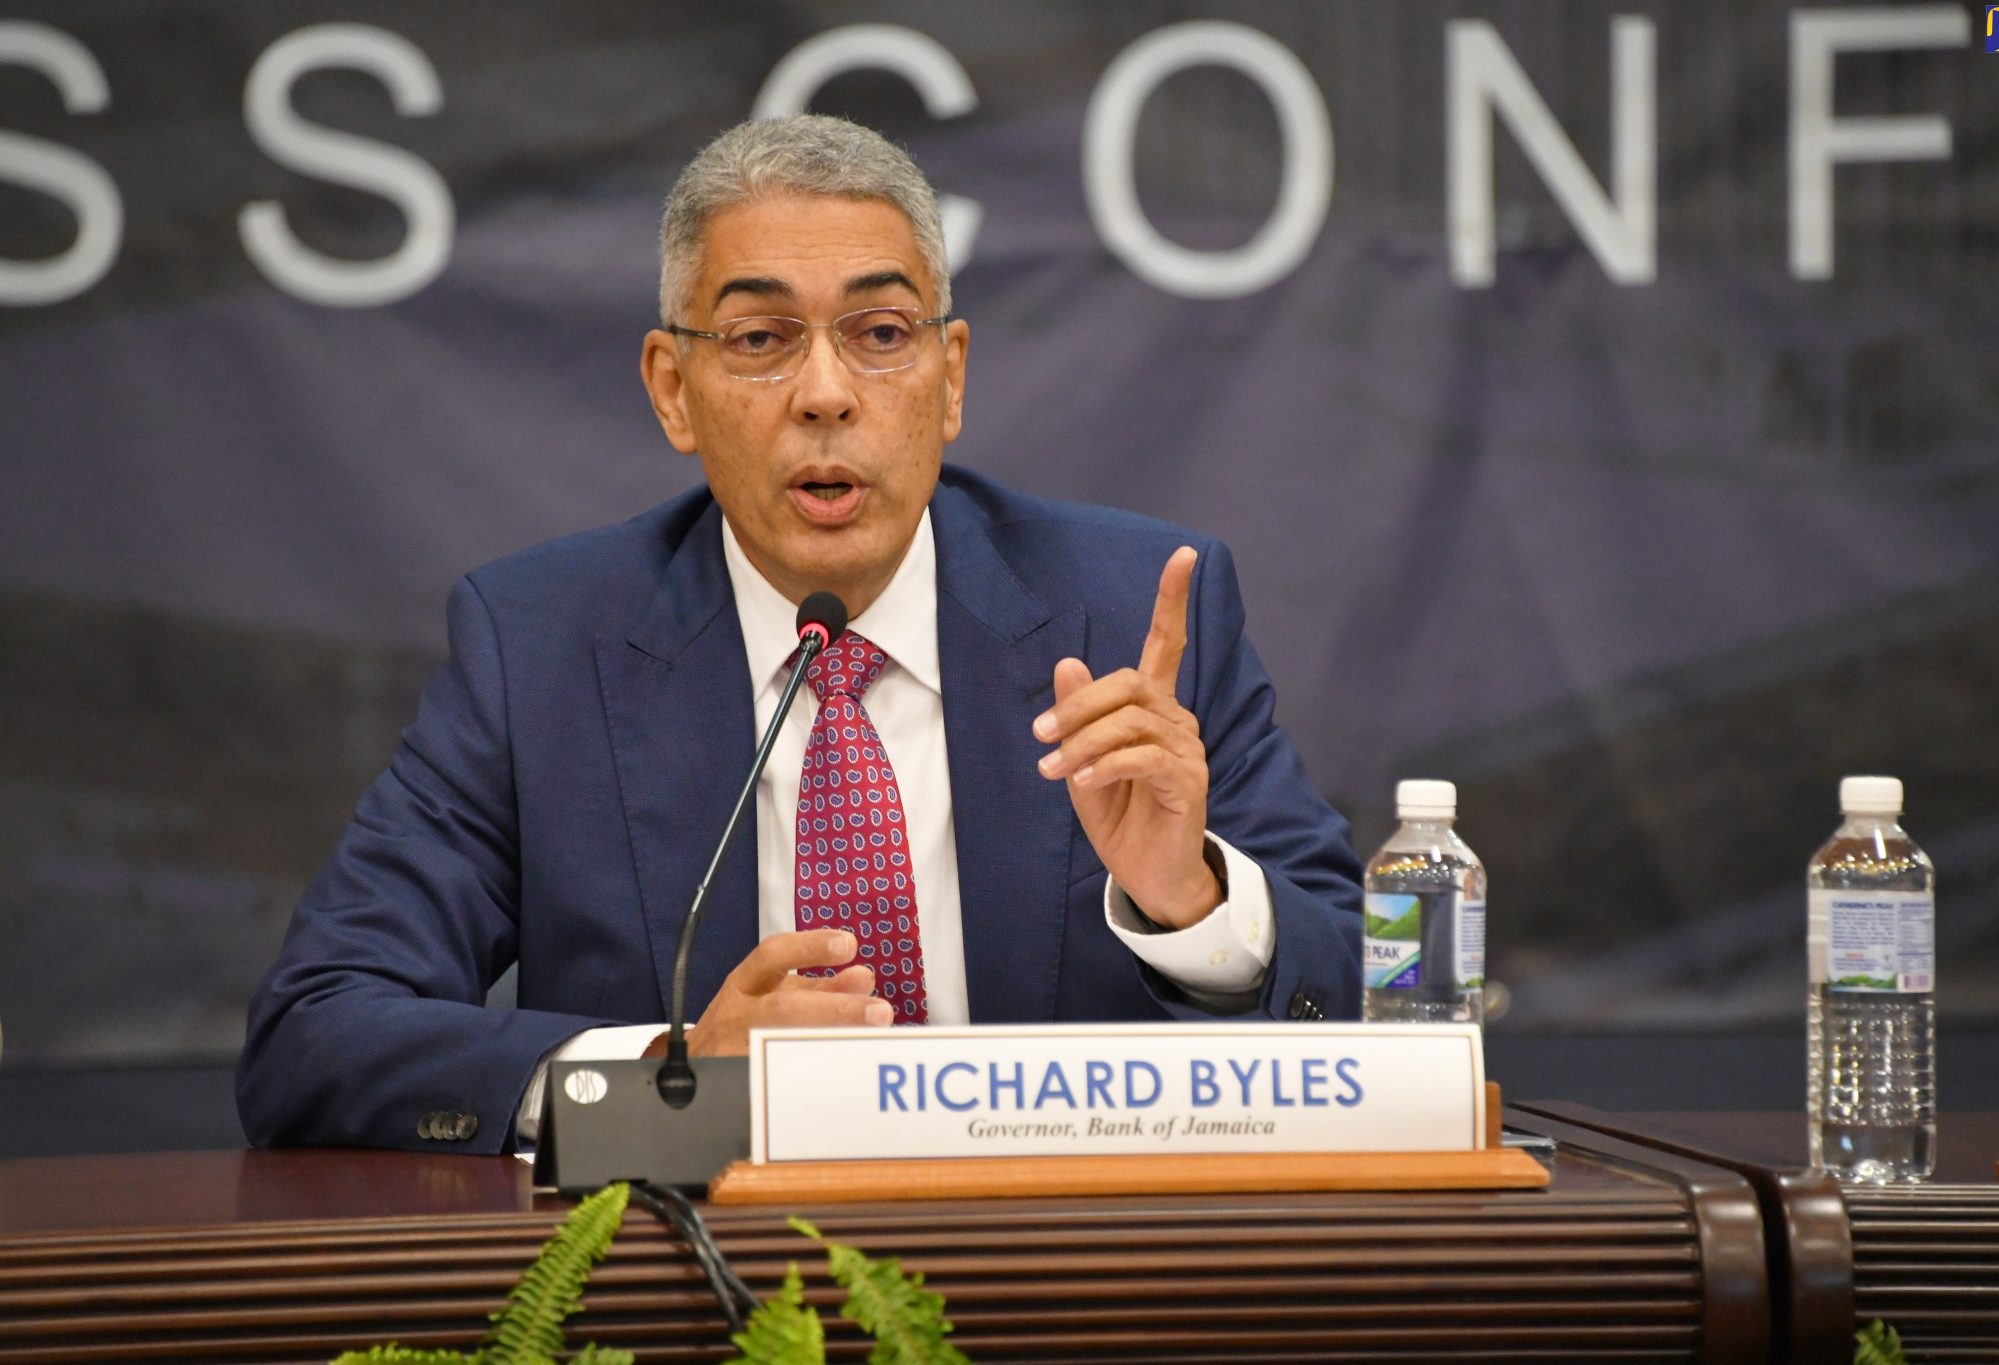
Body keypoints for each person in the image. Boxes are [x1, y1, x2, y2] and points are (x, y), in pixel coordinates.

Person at [238, 114, 1362, 1153]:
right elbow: (315, 1032)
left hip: (1074, 1281)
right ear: (672, 389)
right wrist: (664, 1081)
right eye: (761, 338)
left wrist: (1195, 903)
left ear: (949, 376)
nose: (825, 393)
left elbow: (1379, 991)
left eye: (879, 332)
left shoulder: (1132, 614)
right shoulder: (539, 648)